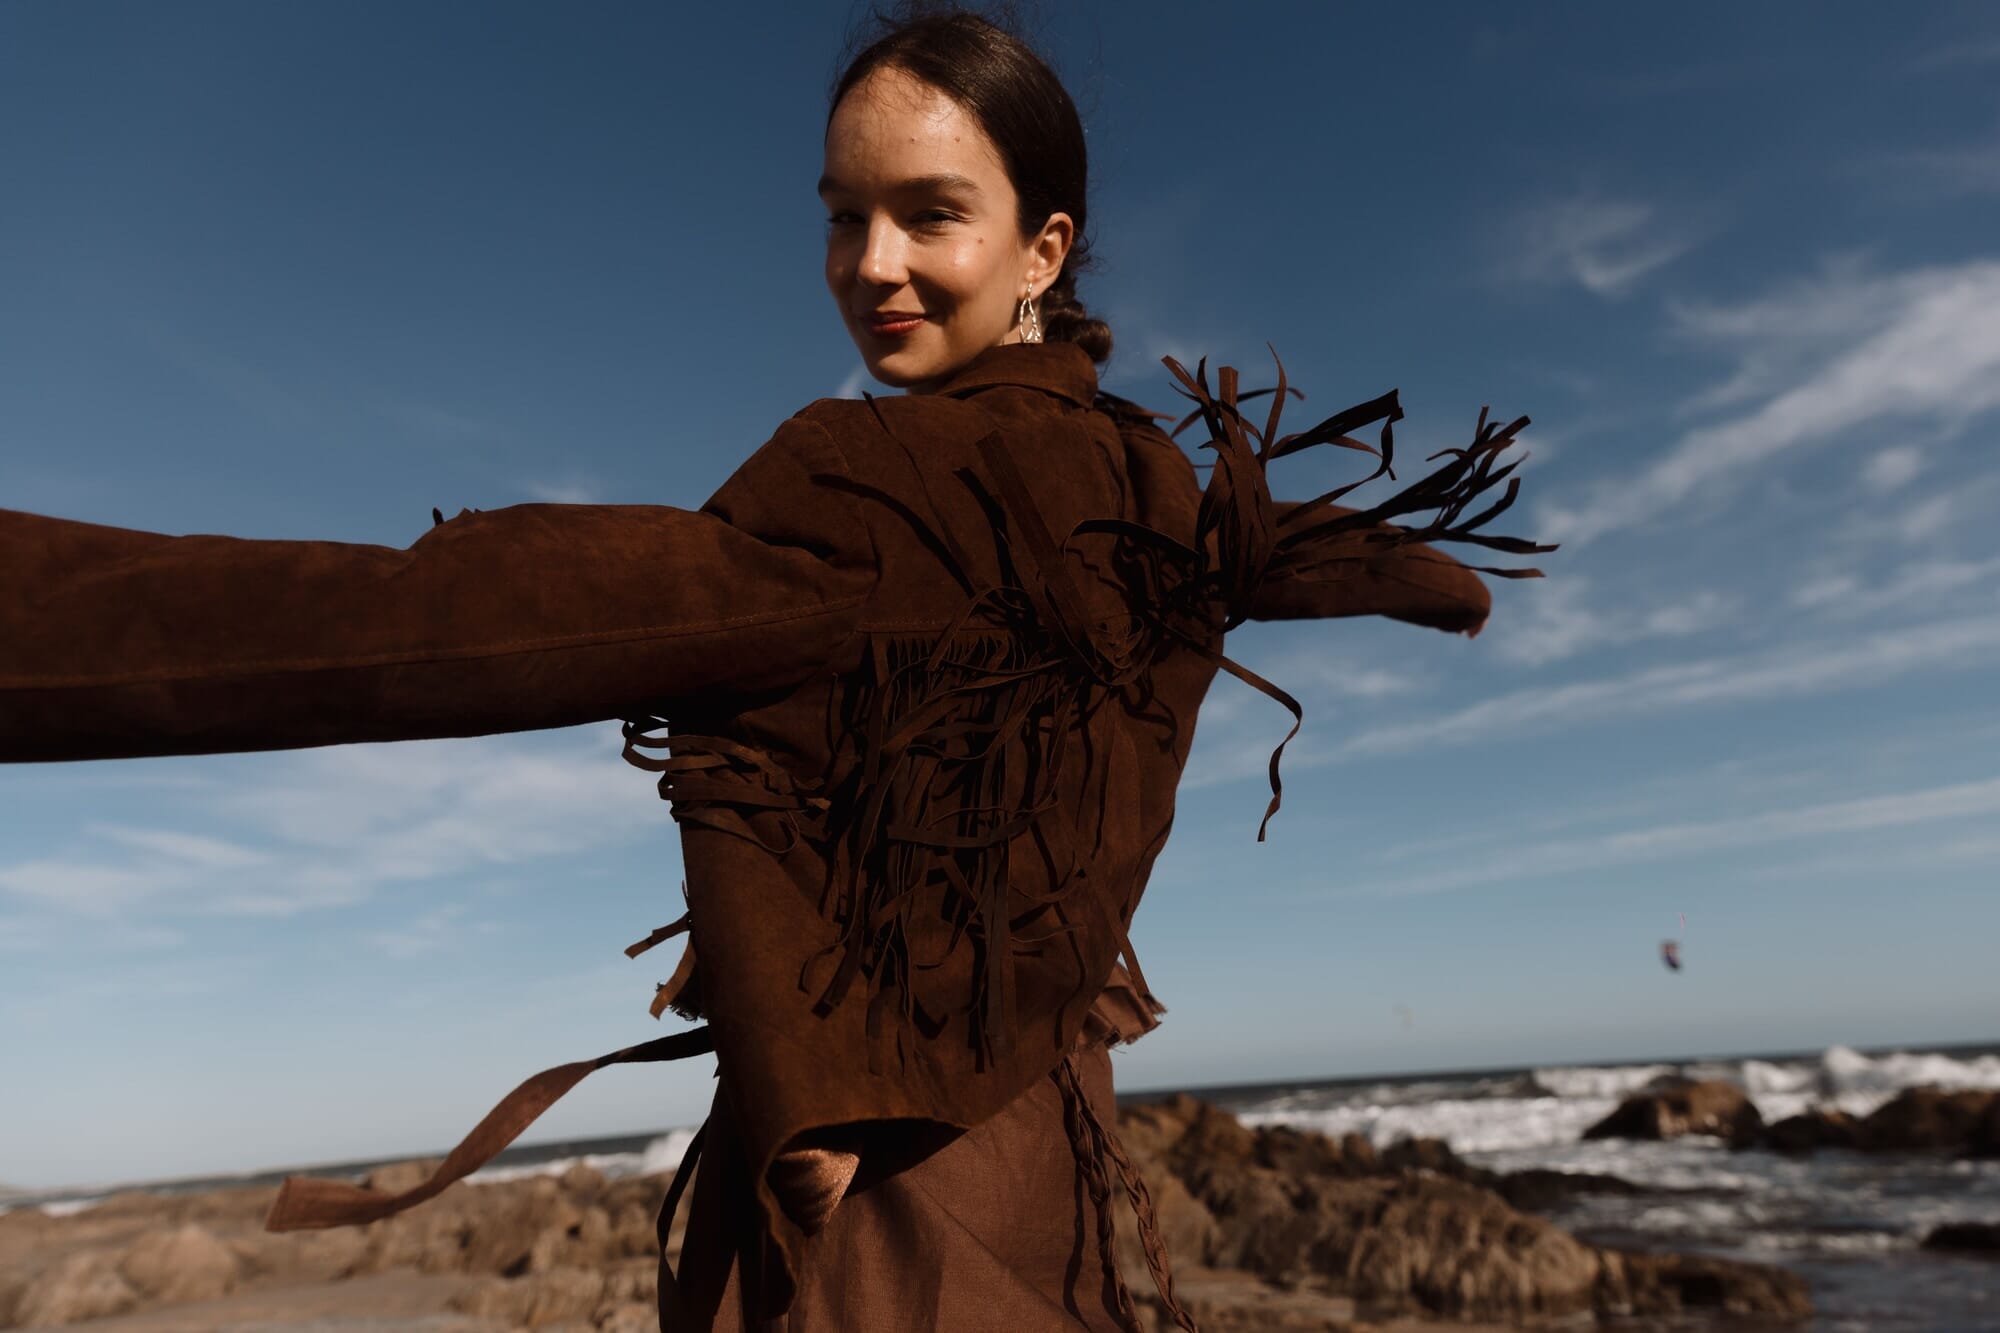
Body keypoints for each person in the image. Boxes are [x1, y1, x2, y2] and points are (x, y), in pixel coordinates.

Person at [0, 7, 1549, 1330]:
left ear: (1043, 245)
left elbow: (451, 624)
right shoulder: (1146, 491)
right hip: (1059, 1161)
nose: (871, 265)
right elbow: (1250, 558)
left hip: (879, 1222)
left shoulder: (874, 484)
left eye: (928, 213)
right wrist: (1373, 565)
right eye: (840, 216)